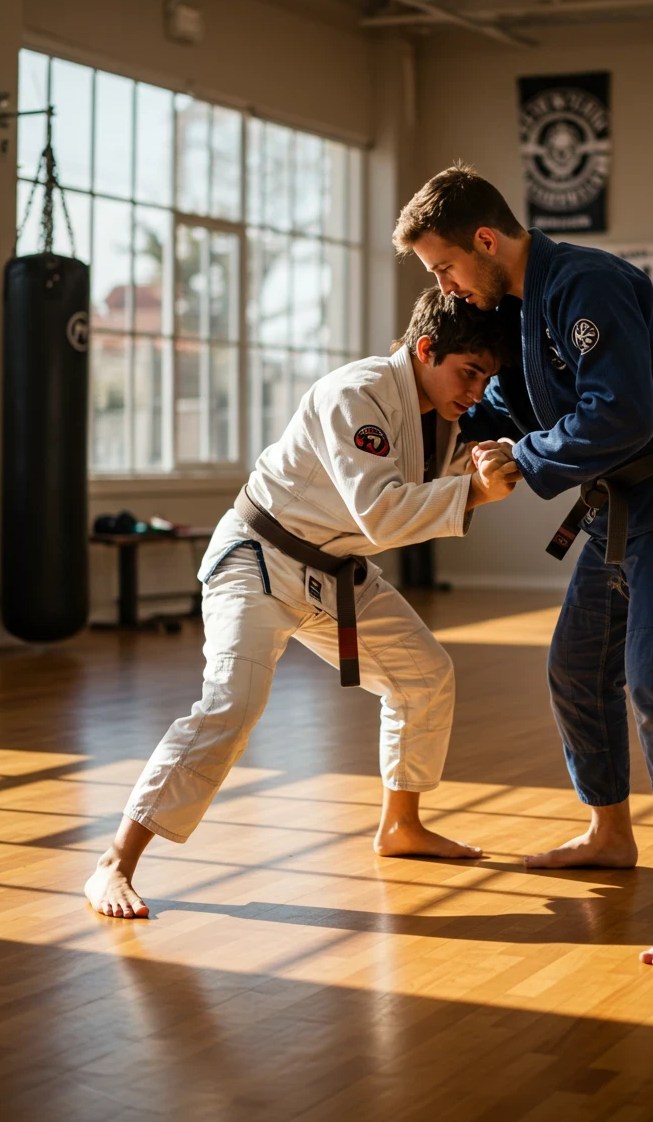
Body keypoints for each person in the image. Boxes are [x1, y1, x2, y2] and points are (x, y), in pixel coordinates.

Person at [393, 164, 653, 968]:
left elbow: (622, 414)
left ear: (485, 240)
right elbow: (504, 407)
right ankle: (609, 831)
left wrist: (520, 458)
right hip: (618, 513)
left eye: (446, 267)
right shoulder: (517, 309)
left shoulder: (583, 283)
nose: (448, 285)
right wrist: (407, 396)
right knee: (575, 667)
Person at [85, 287, 519, 919]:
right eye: (470, 372)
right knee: (232, 703)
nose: (478, 390)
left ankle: (401, 826)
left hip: (334, 570)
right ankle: (114, 864)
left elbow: (410, 496)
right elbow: (380, 512)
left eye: (486, 377)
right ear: (426, 349)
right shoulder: (358, 393)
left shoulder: (440, 413)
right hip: (259, 558)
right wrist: (474, 493)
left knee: (424, 675)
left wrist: (480, 469)